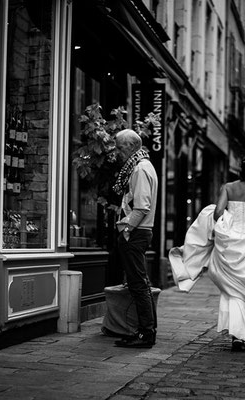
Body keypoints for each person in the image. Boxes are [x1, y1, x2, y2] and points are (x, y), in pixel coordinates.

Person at [169, 153, 245, 351]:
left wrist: (227, 223)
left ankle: (239, 334)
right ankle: (242, 333)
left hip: (230, 243)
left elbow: (217, 213)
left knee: (233, 289)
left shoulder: (229, 188)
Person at [112, 129, 159, 349]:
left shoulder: (140, 169)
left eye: (120, 148)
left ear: (131, 146)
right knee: (140, 283)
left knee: (138, 285)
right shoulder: (144, 165)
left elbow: (142, 206)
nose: (117, 152)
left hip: (137, 232)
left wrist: (127, 230)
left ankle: (146, 334)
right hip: (140, 231)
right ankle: (146, 330)